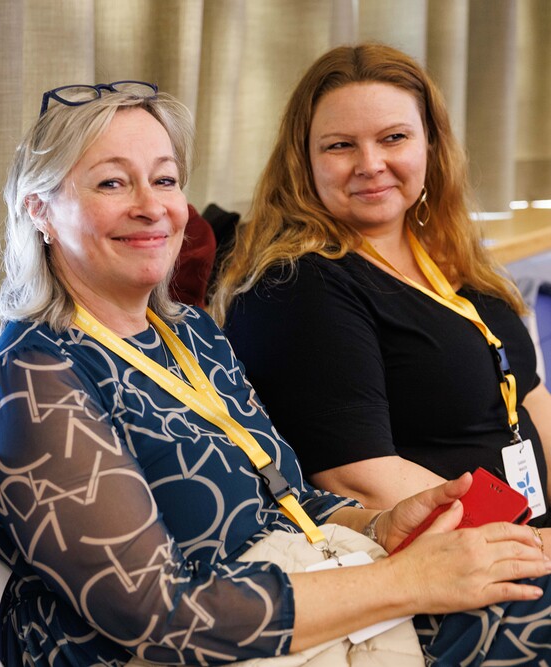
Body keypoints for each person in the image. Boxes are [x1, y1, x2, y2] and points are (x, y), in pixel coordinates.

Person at [0, 81, 551, 665]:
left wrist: (381, 526)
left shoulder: (187, 331)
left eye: (165, 180)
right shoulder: (34, 377)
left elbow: (288, 500)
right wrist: (407, 580)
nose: (151, 206)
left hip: (311, 590)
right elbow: (161, 617)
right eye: (112, 182)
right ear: (39, 211)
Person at [215, 43, 551, 534]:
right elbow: (362, 479)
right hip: (458, 554)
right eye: (340, 145)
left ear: (430, 143)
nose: (370, 164)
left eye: (394, 137)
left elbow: (531, 399)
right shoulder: (296, 286)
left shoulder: (449, 253)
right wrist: (531, 546)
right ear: (303, 160)